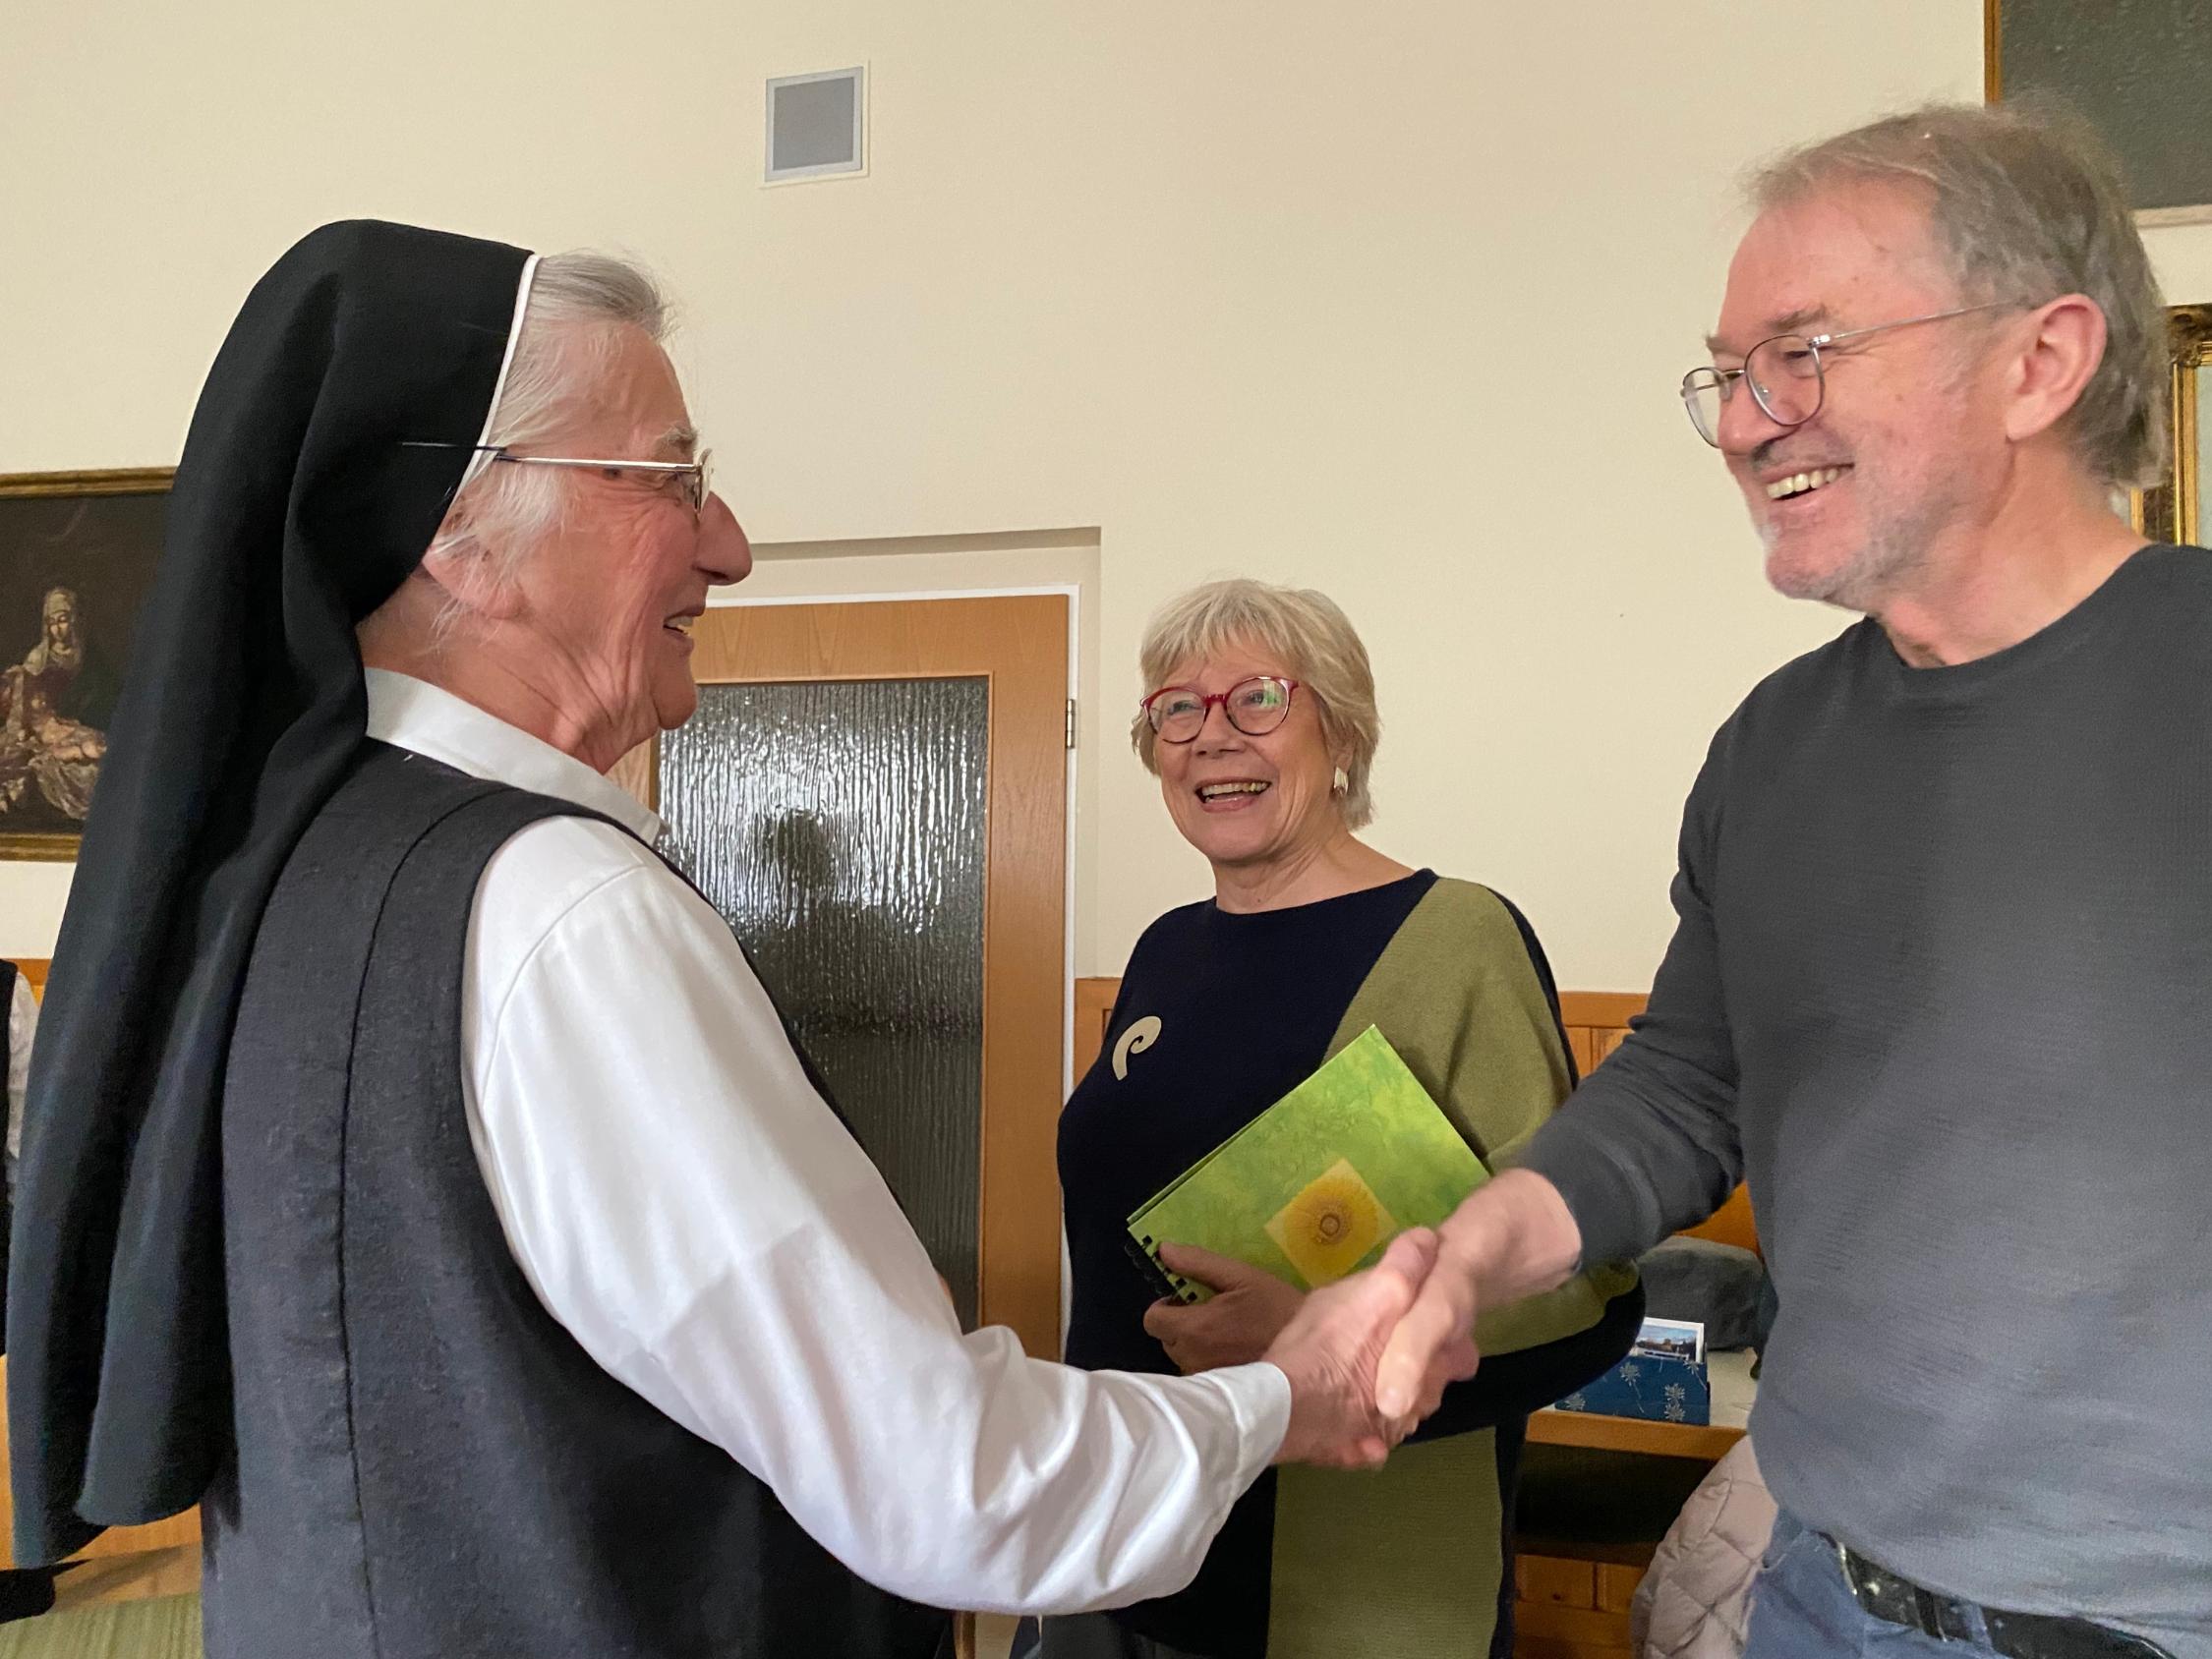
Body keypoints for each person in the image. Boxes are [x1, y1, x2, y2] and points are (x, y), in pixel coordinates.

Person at [7, 224, 1473, 1659]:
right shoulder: (557, 916)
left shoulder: (305, 865)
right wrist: (1284, 1398)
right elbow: (937, 1475)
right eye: (672, 480)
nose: (732, 545)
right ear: (464, 540)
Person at [1374, 102, 2209, 1659]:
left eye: (1805, 350)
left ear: (2039, 360)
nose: (1750, 421)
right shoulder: (1771, 748)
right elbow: (1691, 1081)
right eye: (1728, 373)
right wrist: (1472, 1251)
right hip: (1826, 1596)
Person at [1046, 579, 1641, 1659]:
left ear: (1344, 734)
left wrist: (1320, 1343)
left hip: (1339, 1587)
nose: (1211, 734)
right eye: (1177, 708)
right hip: (1122, 1547)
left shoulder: (1456, 939)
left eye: (1259, 699)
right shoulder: (1166, 949)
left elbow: (1581, 1287)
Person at [0, 589, 107, 822]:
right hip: (47, 733)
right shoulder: (37, 661)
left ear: (74, 619)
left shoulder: (90, 656)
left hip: (75, 726)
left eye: (63, 620)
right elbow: (26, 712)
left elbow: (101, 697)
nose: (58, 629)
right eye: (51, 623)